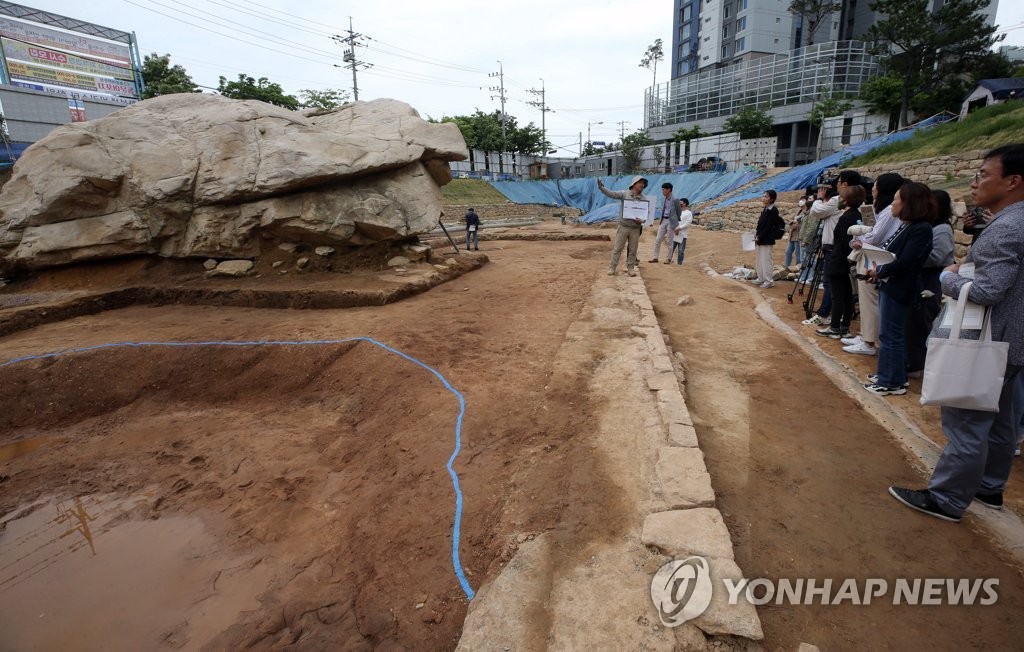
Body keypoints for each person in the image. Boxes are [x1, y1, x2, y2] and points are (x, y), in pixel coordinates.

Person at [890, 144, 1024, 522]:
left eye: (983, 174)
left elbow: (988, 291)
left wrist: (950, 276)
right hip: (1013, 343)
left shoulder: (1006, 228)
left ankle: (947, 498)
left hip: (986, 343)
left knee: (967, 423)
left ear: (1013, 181)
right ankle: (990, 487)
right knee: (1001, 420)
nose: (975, 182)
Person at [863, 181, 935, 395]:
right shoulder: (909, 226)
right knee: (890, 334)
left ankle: (890, 381)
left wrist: (880, 272)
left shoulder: (921, 229)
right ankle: (892, 374)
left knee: (890, 335)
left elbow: (905, 262)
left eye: (896, 200)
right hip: (892, 285)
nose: (892, 204)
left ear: (908, 203)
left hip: (900, 288)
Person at [842, 172, 905, 355]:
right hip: (869, 255)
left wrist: (859, 233)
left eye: (876, 185)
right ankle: (865, 336)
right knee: (865, 300)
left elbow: (875, 237)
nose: (873, 189)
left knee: (870, 301)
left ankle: (870, 342)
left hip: (874, 258)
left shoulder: (888, 213)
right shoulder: (882, 209)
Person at [904, 189, 955, 376]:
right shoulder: (929, 226)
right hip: (921, 277)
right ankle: (911, 360)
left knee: (920, 320)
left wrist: (910, 256)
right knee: (912, 321)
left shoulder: (942, 228)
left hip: (930, 280)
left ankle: (917, 364)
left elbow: (937, 257)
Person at [817, 184, 866, 338]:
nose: (840, 200)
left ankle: (835, 327)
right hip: (847, 260)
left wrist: (846, 259)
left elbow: (844, 241)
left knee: (838, 295)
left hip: (839, 259)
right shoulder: (857, 215)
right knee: (847, 295)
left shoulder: (847, 217)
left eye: (843, 197)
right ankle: (844, 327)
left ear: (847, 200)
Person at [598, 176, 654, 277]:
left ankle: (631, 268)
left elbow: (646, 214)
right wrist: (602, 188)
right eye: (640, 182)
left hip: (635, 228)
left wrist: (641, 220)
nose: (642, 185)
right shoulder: (624, 194)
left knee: (633, 249)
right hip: (624, 226)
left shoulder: (644, 199)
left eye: (643, 183)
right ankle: (612, 267)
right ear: (634, 184)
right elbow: (612, 194)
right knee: (618, 248)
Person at [753, 189, 783, 288]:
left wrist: (760, 236)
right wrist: (757, 236)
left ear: (772, 199)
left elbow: (768, 226)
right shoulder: (765, 209)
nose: (763, 198)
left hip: (766, 239)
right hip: (760, 239)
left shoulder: (773, 210)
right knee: (759, 259)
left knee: (766, 260)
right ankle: (761, 278)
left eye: (766, 196)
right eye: (763, 196)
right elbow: (761, 225)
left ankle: (769, 280)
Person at [650, 183, 681, 263]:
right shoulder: (663, 199)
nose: (662, 191)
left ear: (669, 190)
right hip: (663, 220)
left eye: (664, 189)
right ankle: (655, 257)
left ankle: (669, 258)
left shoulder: (675, 200)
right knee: (658, 239)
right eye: (662, 189)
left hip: (671, 221)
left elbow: (679, 212)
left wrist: (677, 225)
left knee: (669, 241)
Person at [784, 198, 808, 271]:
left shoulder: (806, 212)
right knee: (788, 252)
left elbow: (799, 225)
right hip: (792, 235)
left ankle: (798, 268)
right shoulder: (798, 210)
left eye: (803, 200)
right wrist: (793, 222)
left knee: (798, 254)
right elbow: (790, 219)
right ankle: (786, 267)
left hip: (798, 236)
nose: (801, 201)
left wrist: (793, 223)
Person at [669, 198, 693, 265]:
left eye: (681, 202)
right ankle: (668, 260)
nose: (679, 204)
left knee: (681, 251)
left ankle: (679, 264)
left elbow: (688, 223)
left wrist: (679, 228)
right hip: (675, 233)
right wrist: (675, 228)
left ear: (685, 203)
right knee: (671, 249)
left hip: (682, 234)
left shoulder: (688, 213)